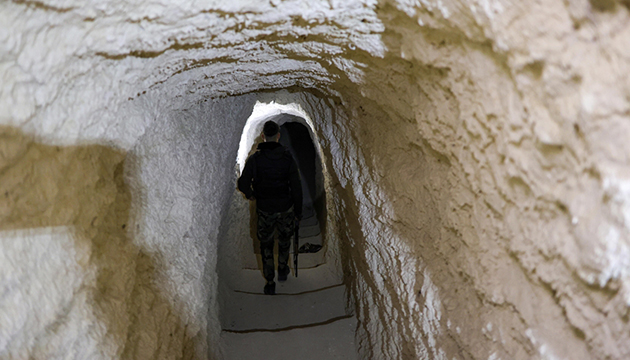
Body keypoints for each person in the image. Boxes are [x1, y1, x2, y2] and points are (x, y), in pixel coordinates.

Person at [237, 120, 303, 295]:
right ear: (278, 136)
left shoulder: (255, 160)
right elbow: (296, 187)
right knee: (284, 240)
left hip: (265, 208)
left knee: (266, 244)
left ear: (263, 136)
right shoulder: (288, 159)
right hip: (285, 207)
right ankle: (282, 269)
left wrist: (251, 194)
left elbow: (243, 183)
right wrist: (298, 211)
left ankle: (270, 282)